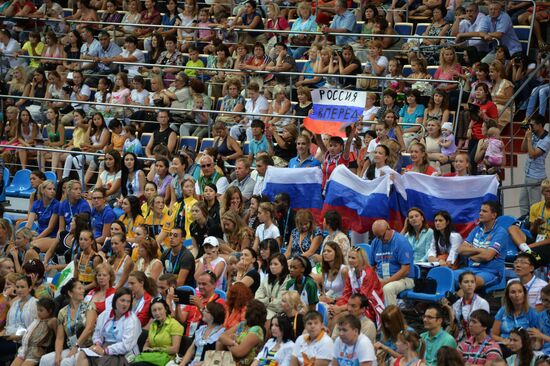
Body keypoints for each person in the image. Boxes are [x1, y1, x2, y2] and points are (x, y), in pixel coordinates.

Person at [77, 288, 141, 366]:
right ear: (115, 301)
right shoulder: (105, 315)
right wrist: (97, 344)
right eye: (122, 300)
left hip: (126, 354)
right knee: (82, 354)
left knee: (103, 362)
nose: (125, 304)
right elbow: (97, 333)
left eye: (128, 301)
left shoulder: (132, 320)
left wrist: (106, 351)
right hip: (104, 347)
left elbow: (126, 346)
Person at [39, 279, 96, 366]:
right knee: (45, 359)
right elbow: (59, 338)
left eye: (82, 288)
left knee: (66, 362)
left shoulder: (89, 306)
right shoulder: (63, 312)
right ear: (70, 293)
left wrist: (76, 347)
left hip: (87, 348)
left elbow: (89, 329)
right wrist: (58, 355)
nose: (83, 290)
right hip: (72, 348)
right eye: (79, 288)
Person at [456, 201, 506, 289]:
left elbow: (487, 256)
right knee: (447, 276)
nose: (480, 213)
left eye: (484, 211)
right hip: (470, 269)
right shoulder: (477, 229)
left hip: (490, 272)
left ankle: (453, 300)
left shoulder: (500, 232)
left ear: (493, 215)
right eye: (480, 211)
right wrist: (480, 250)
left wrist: (470, 255)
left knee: (468, 282)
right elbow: (460, 250)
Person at [369, 220, 415, 306]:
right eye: (377, 237)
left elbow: (405, 270)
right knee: (365, 285)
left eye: (381, 236)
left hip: (404, 279)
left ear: (388, 229)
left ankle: (391, 318)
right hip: (381, 277)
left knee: (388, 288)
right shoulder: (375, 242)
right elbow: (372, 266)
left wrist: (386, 282)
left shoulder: (401, 242)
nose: (380, 239)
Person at [333, 247, 383, 324]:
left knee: (341, 317)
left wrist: (341, 308)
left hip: (369, 305)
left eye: (353, 258)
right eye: (349, 257)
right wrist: (337, 306)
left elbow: (362, 299)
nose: (350, 260)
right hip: (355, 303)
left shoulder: (368, 273)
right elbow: (347, 294)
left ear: (361, 259)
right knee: (332, 314)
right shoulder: (351, 273)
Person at [131, 297, 183, 366]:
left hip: (166, 359)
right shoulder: (153, 325)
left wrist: (157, 349)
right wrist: (149, 350)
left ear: (166, 309)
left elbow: (175, 349)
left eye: (160, 309)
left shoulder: (175, 325)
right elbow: (145, 347)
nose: (157, 313)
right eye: (154, 310)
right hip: (152, 357)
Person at [217, 299, 267, 366]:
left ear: (251, 313)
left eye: (245, 310)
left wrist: (227, 342)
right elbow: (221, 336)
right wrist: (233, 342)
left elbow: (239, 353)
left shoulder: (257, 330)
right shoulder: (243, 324)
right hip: (229, 361)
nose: (243, 312)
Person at [11, 297, 56, 366]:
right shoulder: (36, 319)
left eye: (41, 310)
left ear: (50, 311)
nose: (38, 312)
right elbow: (29, 332)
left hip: (36, 352)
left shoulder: (51, 321)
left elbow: (58, 336)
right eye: (38, 310)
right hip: (25, 349)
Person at [520, 114, 550, 217]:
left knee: (534, 206)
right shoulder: (532, 135)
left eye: (532, 125)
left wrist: (529, 139)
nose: (530, 127)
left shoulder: (546, 140)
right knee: (523, 203)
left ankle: (533, 230)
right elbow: (523, 149)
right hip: (528, 174)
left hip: (536, 177)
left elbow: (533, 155)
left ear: (540, 125)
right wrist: (526, 136)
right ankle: (523, 226)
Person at [0, 275, 37, 359]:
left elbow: (34, 329)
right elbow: (8, 326)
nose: (19, 290)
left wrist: (17, 336)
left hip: (23, 340)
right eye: (17, 287)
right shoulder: (14, 304)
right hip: (9, 338)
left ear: (30, 288)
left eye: (22, 287)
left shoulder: (35, 304)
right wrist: (3, 334)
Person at [492, 281, 539, 346]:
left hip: (524, 347)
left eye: (520, 291)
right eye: (513, 292)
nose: (517, 295)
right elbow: (493, 334)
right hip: (506, 346)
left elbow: (536, 337)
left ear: (524, 294)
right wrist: (503, 340)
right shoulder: (502, 311)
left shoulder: (532, 313)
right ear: (508, 295)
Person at [180, 302, 226, 366]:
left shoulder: (221, 333)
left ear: (213, 315)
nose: (202, 311)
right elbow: (191, 350)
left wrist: (202, 363)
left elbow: (217, 358)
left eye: (205, 310)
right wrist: (182, 364)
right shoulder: (201, 329)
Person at [449, 271, 490, 341]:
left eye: (472, 282)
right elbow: (455, 327)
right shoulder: (457, 304)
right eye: (466, 282)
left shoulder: (482, 303)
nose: (470, 285)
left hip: (477, 339)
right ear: (460, 285)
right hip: (460, 339)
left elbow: (484, 327)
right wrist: (448, 308)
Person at [255, 253, 290, 320]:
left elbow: (279, 305)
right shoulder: (267, 278)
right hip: (263, 310)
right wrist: (269, 299)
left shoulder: (288, 280)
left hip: (278, 314)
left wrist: (264, 302)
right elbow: (257, 298)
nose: (272, 266)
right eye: (271, 264)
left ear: (283, 266)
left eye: (275, 264)